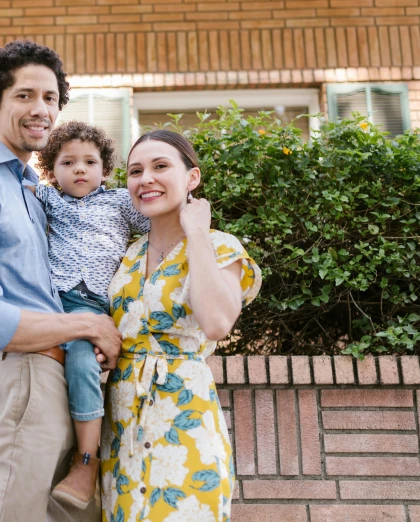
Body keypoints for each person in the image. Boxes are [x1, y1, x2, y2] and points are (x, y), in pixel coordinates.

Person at [0, 40, 120, 522]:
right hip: (24, 376)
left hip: (57, 380)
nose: (41, 110)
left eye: (51, 98)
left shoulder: (27, 185)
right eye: (24, 96)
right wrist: (86, 328)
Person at [0, 120, 150, 509]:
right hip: (50, 301)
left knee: (81, 364)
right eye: (68, 162)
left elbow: (158, 221)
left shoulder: (119, 202)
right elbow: (4, 188)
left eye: (89, 162)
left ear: (105, 171)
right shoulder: (45, 197)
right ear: (51, 170)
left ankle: (86, 460)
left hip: (92, 306)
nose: (79, 169)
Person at [100, 130, 262, 522]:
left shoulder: (219, 246)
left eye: (160, 166)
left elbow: (218, 323)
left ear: (192, 178)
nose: (145, 179)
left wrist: (197, 234)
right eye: (135, 171)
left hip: (184, 420)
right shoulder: (126, 254)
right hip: (120, 428)